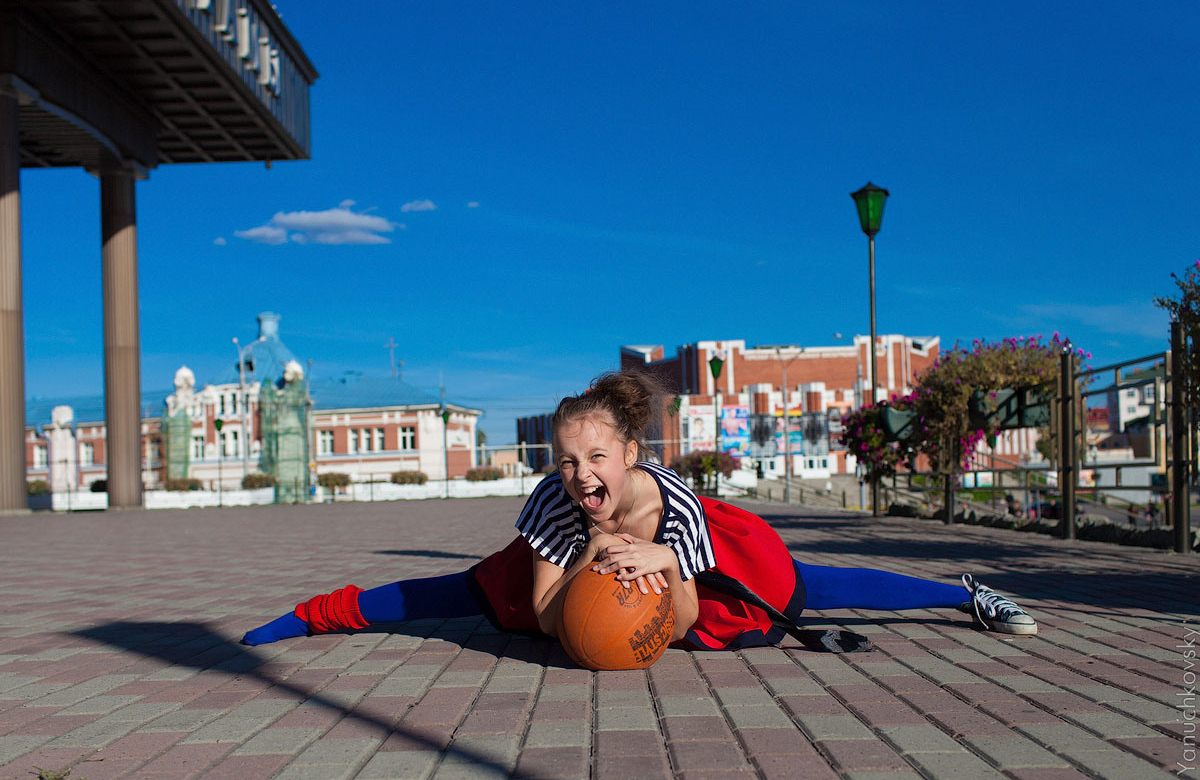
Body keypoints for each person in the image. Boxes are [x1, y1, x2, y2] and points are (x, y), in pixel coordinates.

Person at [242, 370, 1037, 652]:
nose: (581, 475)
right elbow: (554, 620)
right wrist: (594, 547)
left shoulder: (678, 505)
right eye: (566, 460)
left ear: (630, 453)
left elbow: (686, 619)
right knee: (447, 597)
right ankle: (314, 616)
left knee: (814, 587)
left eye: (596, 459)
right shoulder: (557, 504)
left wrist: (661, 562)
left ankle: (965, 594)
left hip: (709, 567)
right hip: (569, 577)